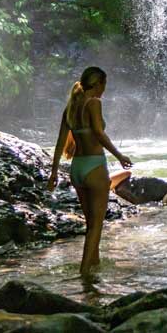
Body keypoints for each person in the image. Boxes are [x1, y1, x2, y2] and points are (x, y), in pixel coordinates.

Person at [47, 66, 133, 277]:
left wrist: (54, 173)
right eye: (104, 85)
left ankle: (94, 264)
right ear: (98, 84)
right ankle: (85, 273)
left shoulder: (71, 107)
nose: (105, 90)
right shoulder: (93, 103)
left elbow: (59, 144)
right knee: (96, 225)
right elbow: (99, 133)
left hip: (77, 168)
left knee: (90, 224)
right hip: (94, 166)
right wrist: (120, 156)